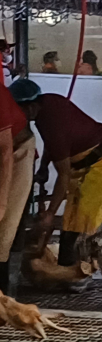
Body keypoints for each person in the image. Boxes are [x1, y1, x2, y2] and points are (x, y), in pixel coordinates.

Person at [11, 78, 102, 265]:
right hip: (80, 164)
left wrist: (49, 214)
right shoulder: (45, 106)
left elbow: (62, 176)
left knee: (86, 221)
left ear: (30, 107)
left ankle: (82, 270)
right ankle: (67, 266)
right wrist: (44, 167)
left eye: (17, 109)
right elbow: (51, 143)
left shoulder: (51, 120)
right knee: (71, 220)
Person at [0, 80, 34, 295]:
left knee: (5, 226)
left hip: (17, 151)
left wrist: (2, 202)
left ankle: (3, 296)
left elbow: (5, 153)